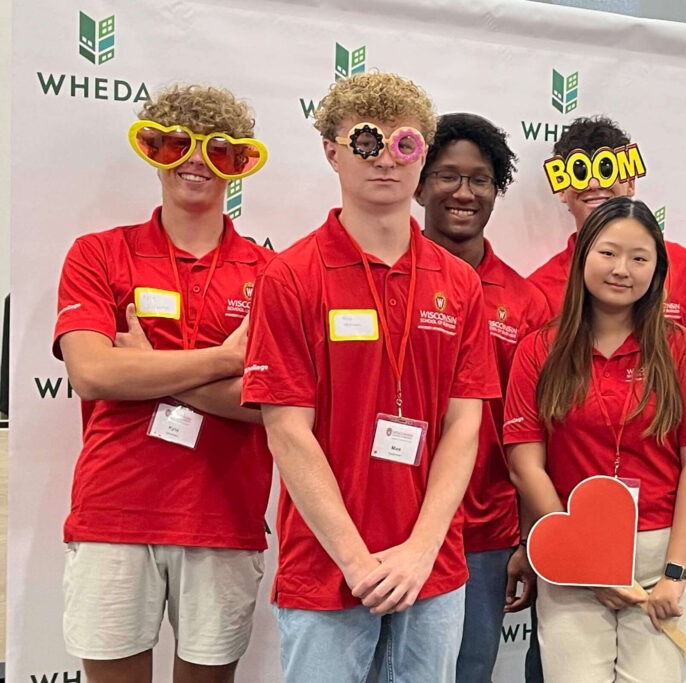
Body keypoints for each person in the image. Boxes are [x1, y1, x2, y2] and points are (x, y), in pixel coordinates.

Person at [241, 73, 500, 683]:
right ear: (332, 151)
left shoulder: (458, 283)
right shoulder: (292, 276)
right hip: (328, 569)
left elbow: (465, 425)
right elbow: (287, 432)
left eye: (404, 144)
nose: (385, 158)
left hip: (431, 570)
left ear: (422, 155)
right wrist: (358, 562)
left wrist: (419, 549)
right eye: (364, 141)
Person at [54, 84, 273, 683]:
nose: (195, 160)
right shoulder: (98, 254)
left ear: (240, 162)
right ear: (153, 152)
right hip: (113, 512)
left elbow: (272, 406)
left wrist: (150, 368)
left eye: (217, 149)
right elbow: (93, 372)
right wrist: (222, 359)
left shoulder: (272, 273)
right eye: (177, 145)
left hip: (224, 517)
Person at [505, 196, 686, 682]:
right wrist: (584, 559)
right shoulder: (539, 351)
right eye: (608, 253)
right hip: (571, 561)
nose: (622, 269)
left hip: (663, 558)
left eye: (639, 258)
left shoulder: (683, 349)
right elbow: (525, 464)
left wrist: (676, 575)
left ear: (657, 269)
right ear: (584, 255)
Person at [417, 112, 551, 683]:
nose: (464, 193)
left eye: (481, 180)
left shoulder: (525, 303)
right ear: (419, 183)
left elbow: (534, 435)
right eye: (447, 176)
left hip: (485, 532)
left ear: (497, 192)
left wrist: (528, 537)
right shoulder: (384, 279)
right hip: (389, 524)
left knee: (471, 672)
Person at [528, 115, 686, 416]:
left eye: (606, 170)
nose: (593, 183)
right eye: (578, 172)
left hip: (666, 460)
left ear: (629, 181)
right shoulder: (537, 288)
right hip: (571, 460)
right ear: (562, 189)